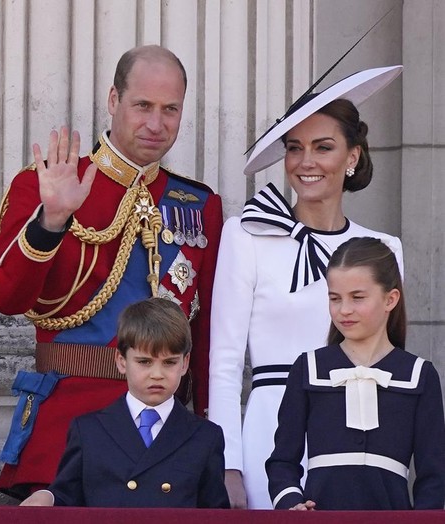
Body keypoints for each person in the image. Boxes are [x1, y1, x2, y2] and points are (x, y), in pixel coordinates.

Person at [0, 45, 223, 498]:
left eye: (170, 109)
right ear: (114, 100)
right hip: (65, 433)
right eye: (143, 106)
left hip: (164, 440)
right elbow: (5, 297)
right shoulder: (48, 182)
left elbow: (206, 329)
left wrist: (206, 424)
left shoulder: (198, 205)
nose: (156, 124)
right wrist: (51, 220)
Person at [207, 66, 405, 509]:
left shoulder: (383, 250)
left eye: (323, 147)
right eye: (294, 148)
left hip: (358, 433)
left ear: (352, 157)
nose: (306, 162)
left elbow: (389, 366)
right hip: (268, 432)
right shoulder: (246, 235)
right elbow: (222, 362)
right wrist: (227, 464)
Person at [266, 237, 445, 510]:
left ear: (390, 299)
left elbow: (433, 476)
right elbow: (282, 461)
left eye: (357, 298)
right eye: (334, 298)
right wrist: (292, 503)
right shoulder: (308, 368)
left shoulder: (420, 375)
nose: (344, 310)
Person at [20, 298, 229, 508]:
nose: (157, 374)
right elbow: (67, 497)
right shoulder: (89, 431)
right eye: (144, 362)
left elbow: (215, 513)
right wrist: (49, 497)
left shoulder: (206, 437)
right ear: (121, 361)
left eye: (169, 362)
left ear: (184, 364)